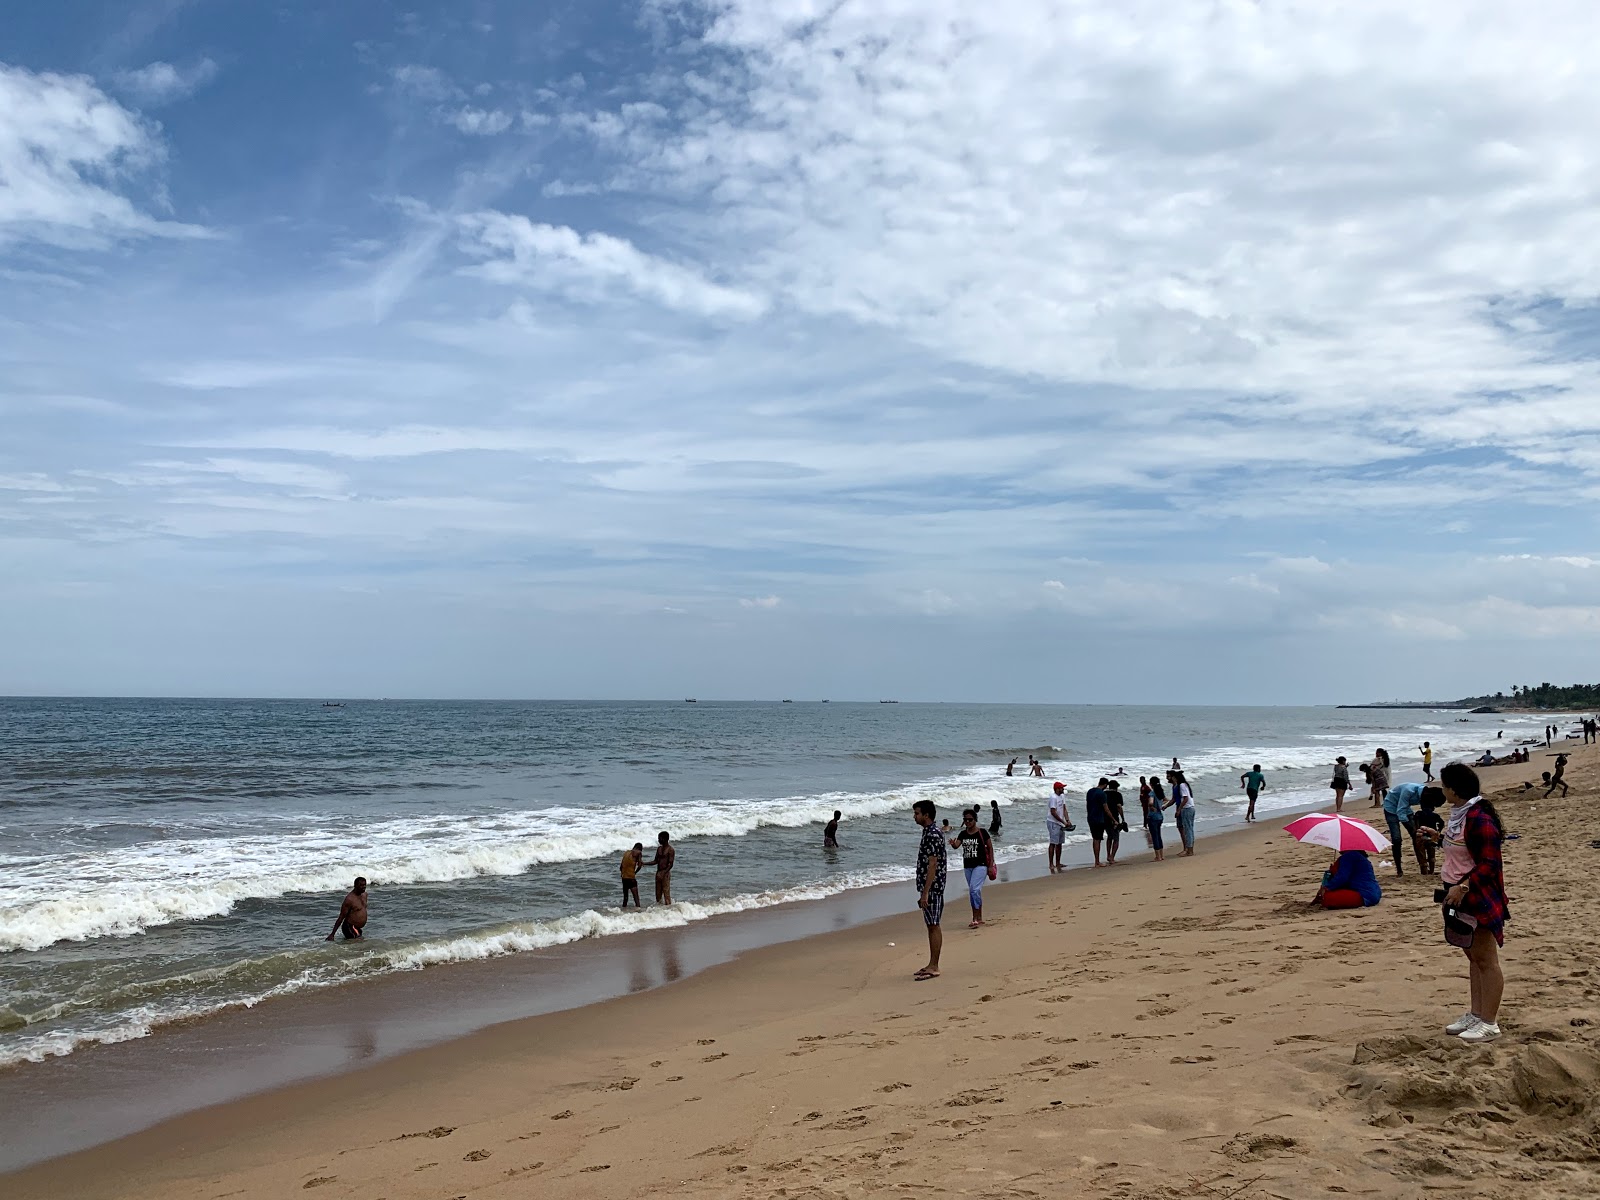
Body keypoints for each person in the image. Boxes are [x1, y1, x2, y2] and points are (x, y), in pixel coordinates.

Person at [1437, 762, 1508, 1042]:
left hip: (1478, 896)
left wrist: (1464, 886)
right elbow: (1461, 852)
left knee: (1487, 960)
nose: (1441, 790)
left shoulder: (1480, 818)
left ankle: (1489, 1022)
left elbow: (1490, 863)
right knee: (1473, 955)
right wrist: (1435, 838)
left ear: (1454, 789)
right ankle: (1477, 1013)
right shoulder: (1460, 816)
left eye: (1444, 786)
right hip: (1458, 895)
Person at [911, 799, 947, 979]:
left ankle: (934, 966)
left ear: (926, 815)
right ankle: (931, 964)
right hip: (931, 886)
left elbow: (933, 864)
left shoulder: (932, 834)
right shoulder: (930, 832)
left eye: (917, 813)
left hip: (933, 888)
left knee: (933, 924)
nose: (914, 816)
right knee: (930, 924)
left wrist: (925, 892)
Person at [951, 808, 996, 929]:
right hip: (968, 866)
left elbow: (990, 848)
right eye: (965, 820)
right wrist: (952, 844)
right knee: (973, 892)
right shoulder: (963, 834)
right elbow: (957, 846)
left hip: (981, 865)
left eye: (970, 819)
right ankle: (978, 917)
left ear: (975, 819)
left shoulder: (982, 832)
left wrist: (990, 865)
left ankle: (975, 918)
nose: (968, 822)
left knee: (974, 890)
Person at [1312, 850, 1382, 908]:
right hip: (1374, 892)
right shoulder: (1359, 856)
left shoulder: (1349, 856)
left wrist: (1327, 888)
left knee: (1328, 898)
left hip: (1364, 894)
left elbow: (1342, 878)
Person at [1382, 781, 1421, 876]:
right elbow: (1400, 811)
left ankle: (1422, 864)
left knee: (1416, 837)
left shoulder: (1421, 792)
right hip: (1390, 808)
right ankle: (1399, 869)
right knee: (1396, 839)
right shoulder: (1408, 791)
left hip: (1405, 809)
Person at [1411, 789, 1446, 875]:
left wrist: (1416, 831)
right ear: (1433, 807)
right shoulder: (1435, 815)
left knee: (1421, 854)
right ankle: (1432, 870)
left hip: (1421, 836)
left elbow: (1415, 824)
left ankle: (1424, 870)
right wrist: (1438, 831)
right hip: (1431, 837)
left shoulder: (1418, 814)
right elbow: (1442, 823)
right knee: (1431, 853)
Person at [325, 877, 368, 941]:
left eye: (364, 885)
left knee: (355, 944)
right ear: (355, 886)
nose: (364, 887)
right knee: (359, 941)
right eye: (361, 885)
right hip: (349, 926)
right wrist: (332, 934)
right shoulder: (349, 899)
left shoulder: (365, 895)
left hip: (356, 927)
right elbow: (341, 917)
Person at [1167, 770, 1196, 855]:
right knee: (1188, 829)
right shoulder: (1182, 785)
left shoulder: (1182, 785)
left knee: (1188, 830)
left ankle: (1189, 850)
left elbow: (1185, 798)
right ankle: (1189, 849)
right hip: (1188, 808)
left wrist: (1179, 809)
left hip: (1187, 808)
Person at [644, 830, 675, 905]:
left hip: (665, 873)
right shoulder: (659, 849)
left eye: (660, 838)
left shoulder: (670, 850)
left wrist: (664, 873)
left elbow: (670, 864)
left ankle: (668, 909)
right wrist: (644, 863)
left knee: (666, 893)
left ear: (665, 839)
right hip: (658, 872)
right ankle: (659, 910)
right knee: (658, 895)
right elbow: (655, 861)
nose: (658, 840)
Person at [1046, 781, 1071, 873]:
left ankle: (1058, 862)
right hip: (1053, 822)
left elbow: (1064, 808)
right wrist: (1063, 822)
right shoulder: (1053, 797)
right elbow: (1053, 812)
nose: (1063, 789)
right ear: (1057, 789)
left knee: (1059, 843)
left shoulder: (1062, 796)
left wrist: (1067, 820)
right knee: (1053, 842)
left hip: (1060, 823)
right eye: (1061, 788)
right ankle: (1051, 863)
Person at [1084, 777, 1109, 866]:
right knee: (1098, 839)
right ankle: (1097, 862)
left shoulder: (1090, 791)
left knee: (1095, 838)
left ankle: (1096, 860)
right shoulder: (1102, 794)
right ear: (1105, 784)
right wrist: (1113, 819)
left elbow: (1087, 805)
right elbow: (1106, 808)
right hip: (1099, 818)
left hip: (1090, 817)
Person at [1103, 780, 1126, 865]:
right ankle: (1112, 857)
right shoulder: (1118, 795)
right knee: (1116, 838)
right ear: (1116, 787)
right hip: (1115, 818)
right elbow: (1119, 807)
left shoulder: (1104, 793)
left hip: (1105, 818)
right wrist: (1123, 818)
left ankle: (1108, 855)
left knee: (1109, 837)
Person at [1144, 774, 1167, 861]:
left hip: (1153, 816)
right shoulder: (1161, 792)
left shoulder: (1152, 793)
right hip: (1160, 815)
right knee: (1159, 835)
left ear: (1151, 784)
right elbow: (1165, 800)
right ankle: (1161, 854)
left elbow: (1150, 802)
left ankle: (1158, 856)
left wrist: (1151, 807)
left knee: (1154, 836)